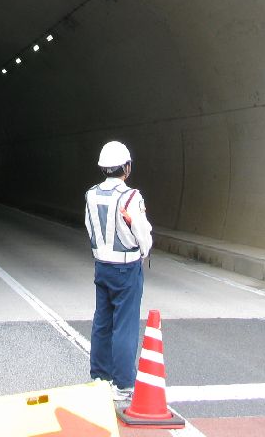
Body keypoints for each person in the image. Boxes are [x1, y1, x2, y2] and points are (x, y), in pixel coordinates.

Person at [84, 140, 154, 402]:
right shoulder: (131, 197)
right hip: (126, 267)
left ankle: (99, 378)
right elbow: (142, 233)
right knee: (124, 325)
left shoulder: (91, 194)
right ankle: (123, 384)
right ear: (126, 167)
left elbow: (90, 227)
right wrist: (144, 252)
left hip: (102, 265)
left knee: (102, 321)